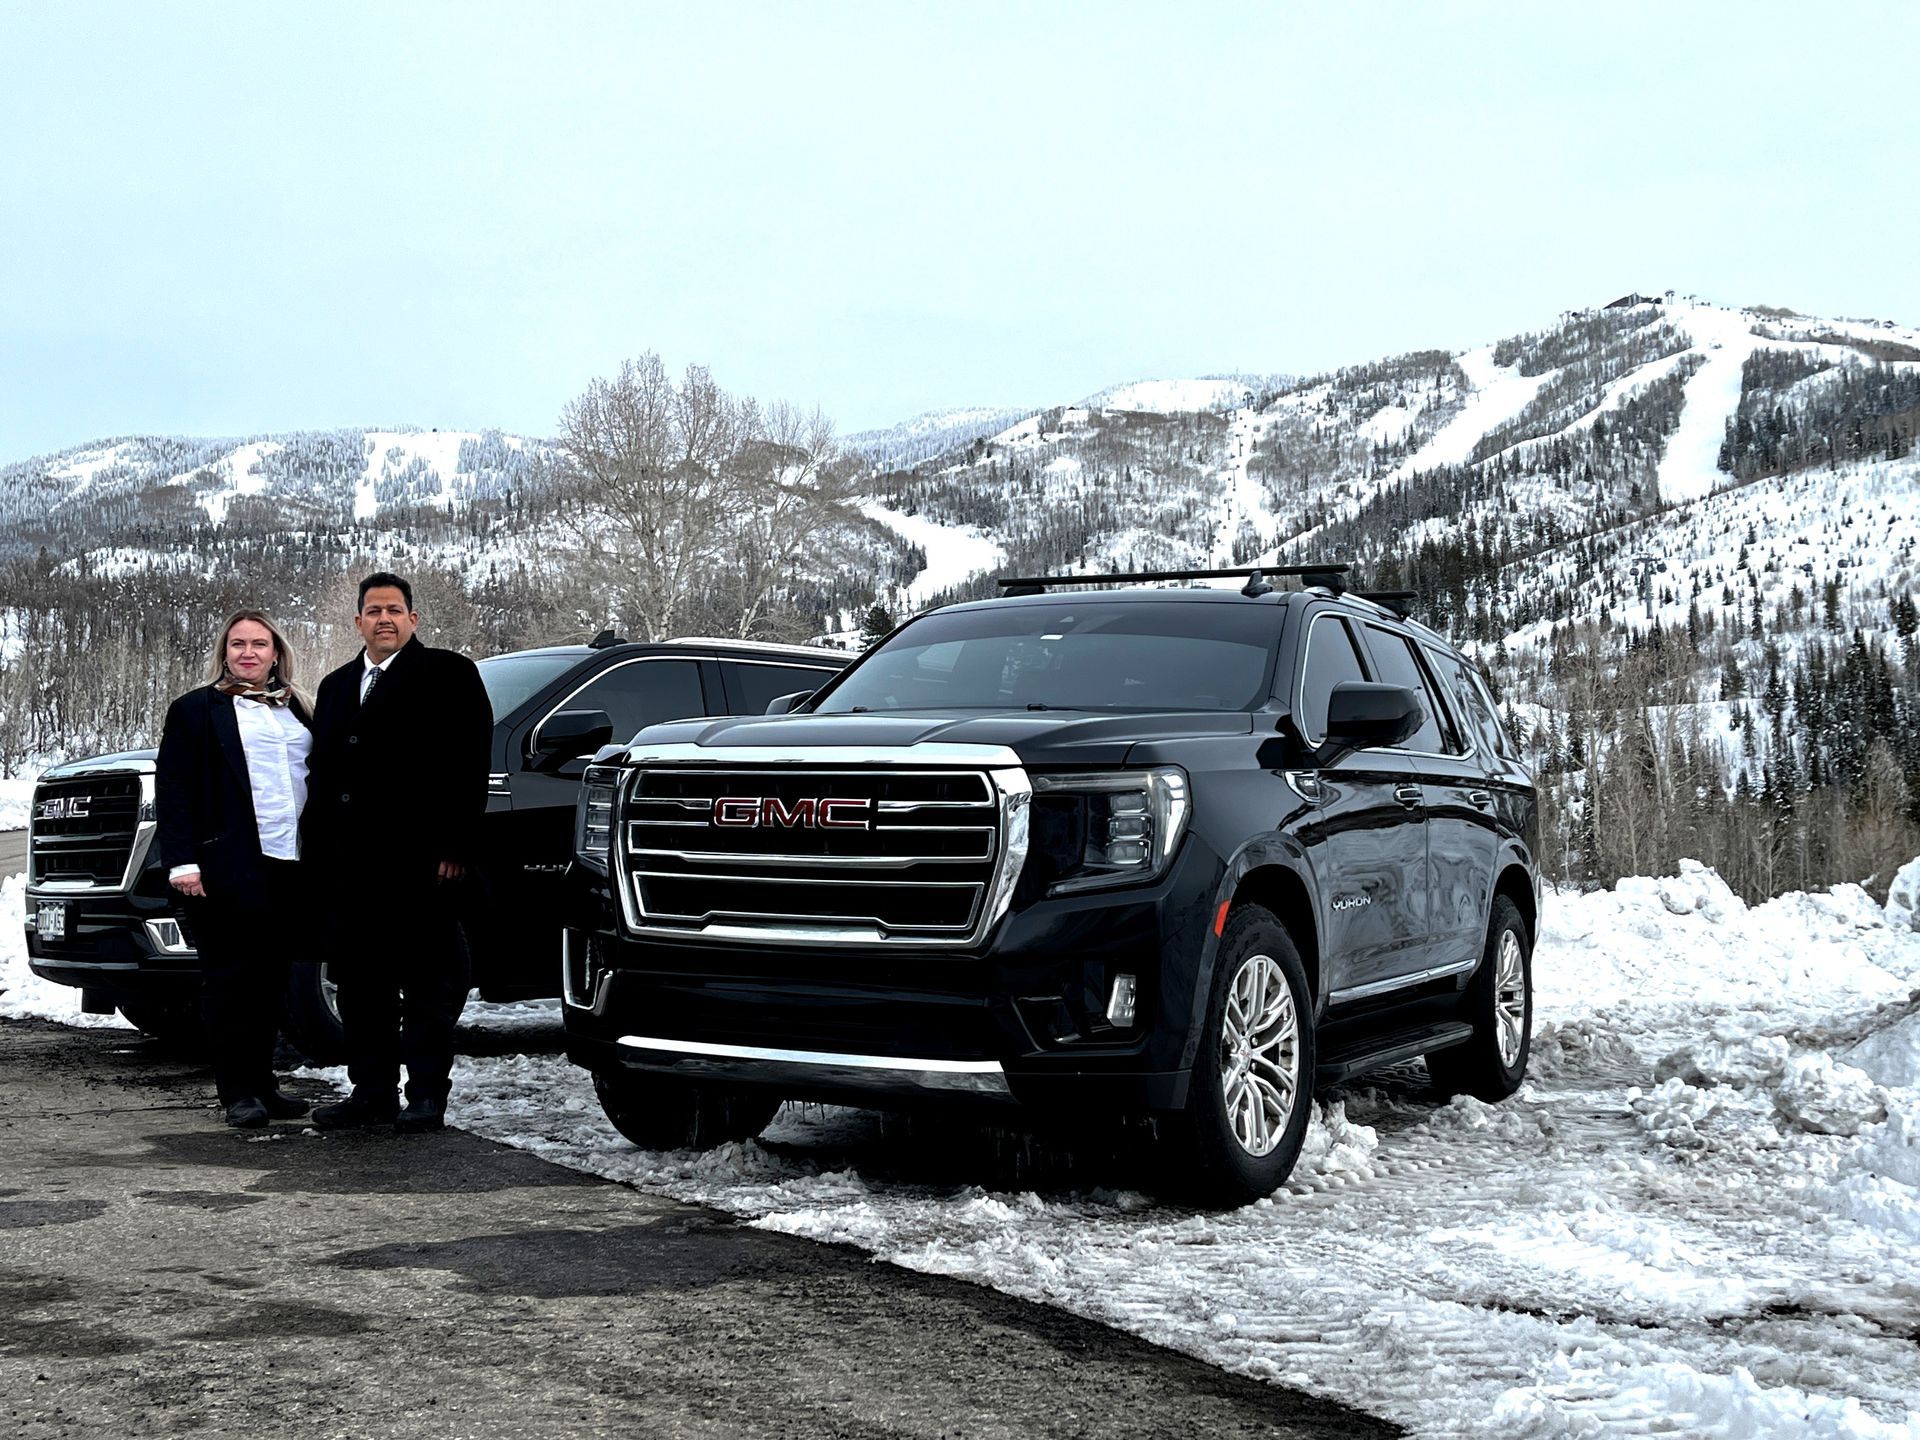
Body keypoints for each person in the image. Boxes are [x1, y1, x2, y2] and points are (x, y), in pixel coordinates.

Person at [303, 572, 492, 1134]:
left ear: (413, 619)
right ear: (357, 621)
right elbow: (324, 772)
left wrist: (456, 845)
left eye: (394, 610)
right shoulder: (337, 686)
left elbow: (468, 763)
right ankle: (371, 1092)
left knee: (429, 984)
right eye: (373, 610)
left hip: (421, 863)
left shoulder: (449, 674)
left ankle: (427, 1094)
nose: (384, 619)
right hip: (351, 865)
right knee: (362, 987)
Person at [155, 610, 316, 1128]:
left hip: (289, 864)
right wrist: (182, 861)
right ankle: (237, 1092)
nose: (249, 653)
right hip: (224, 864)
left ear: (276, 652)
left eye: (260, 644)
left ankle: (266, 1087)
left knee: (271, 980)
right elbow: (174, 790)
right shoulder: (196, 710)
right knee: (230, 981)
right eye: (238, 644)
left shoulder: (299, 708)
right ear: (224, 651)